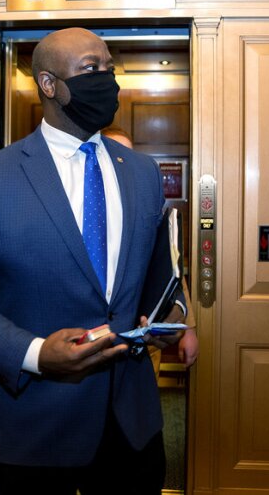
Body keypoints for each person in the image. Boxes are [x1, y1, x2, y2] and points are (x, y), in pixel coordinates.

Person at [0, 27, 186, 495]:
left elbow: (156, 272)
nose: (107, 79)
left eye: (109, 68)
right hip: (35, 426)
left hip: (132, 424)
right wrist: (36, 354)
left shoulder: (142, 173)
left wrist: (175, 315)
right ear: (48, 84)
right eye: (90, 68)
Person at [100, 126, 200, 375]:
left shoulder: (148, 209)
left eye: (128, 156)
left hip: (143, 345)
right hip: (96, 345)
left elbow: (169, 268)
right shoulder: (85, 212)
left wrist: (188, 329)